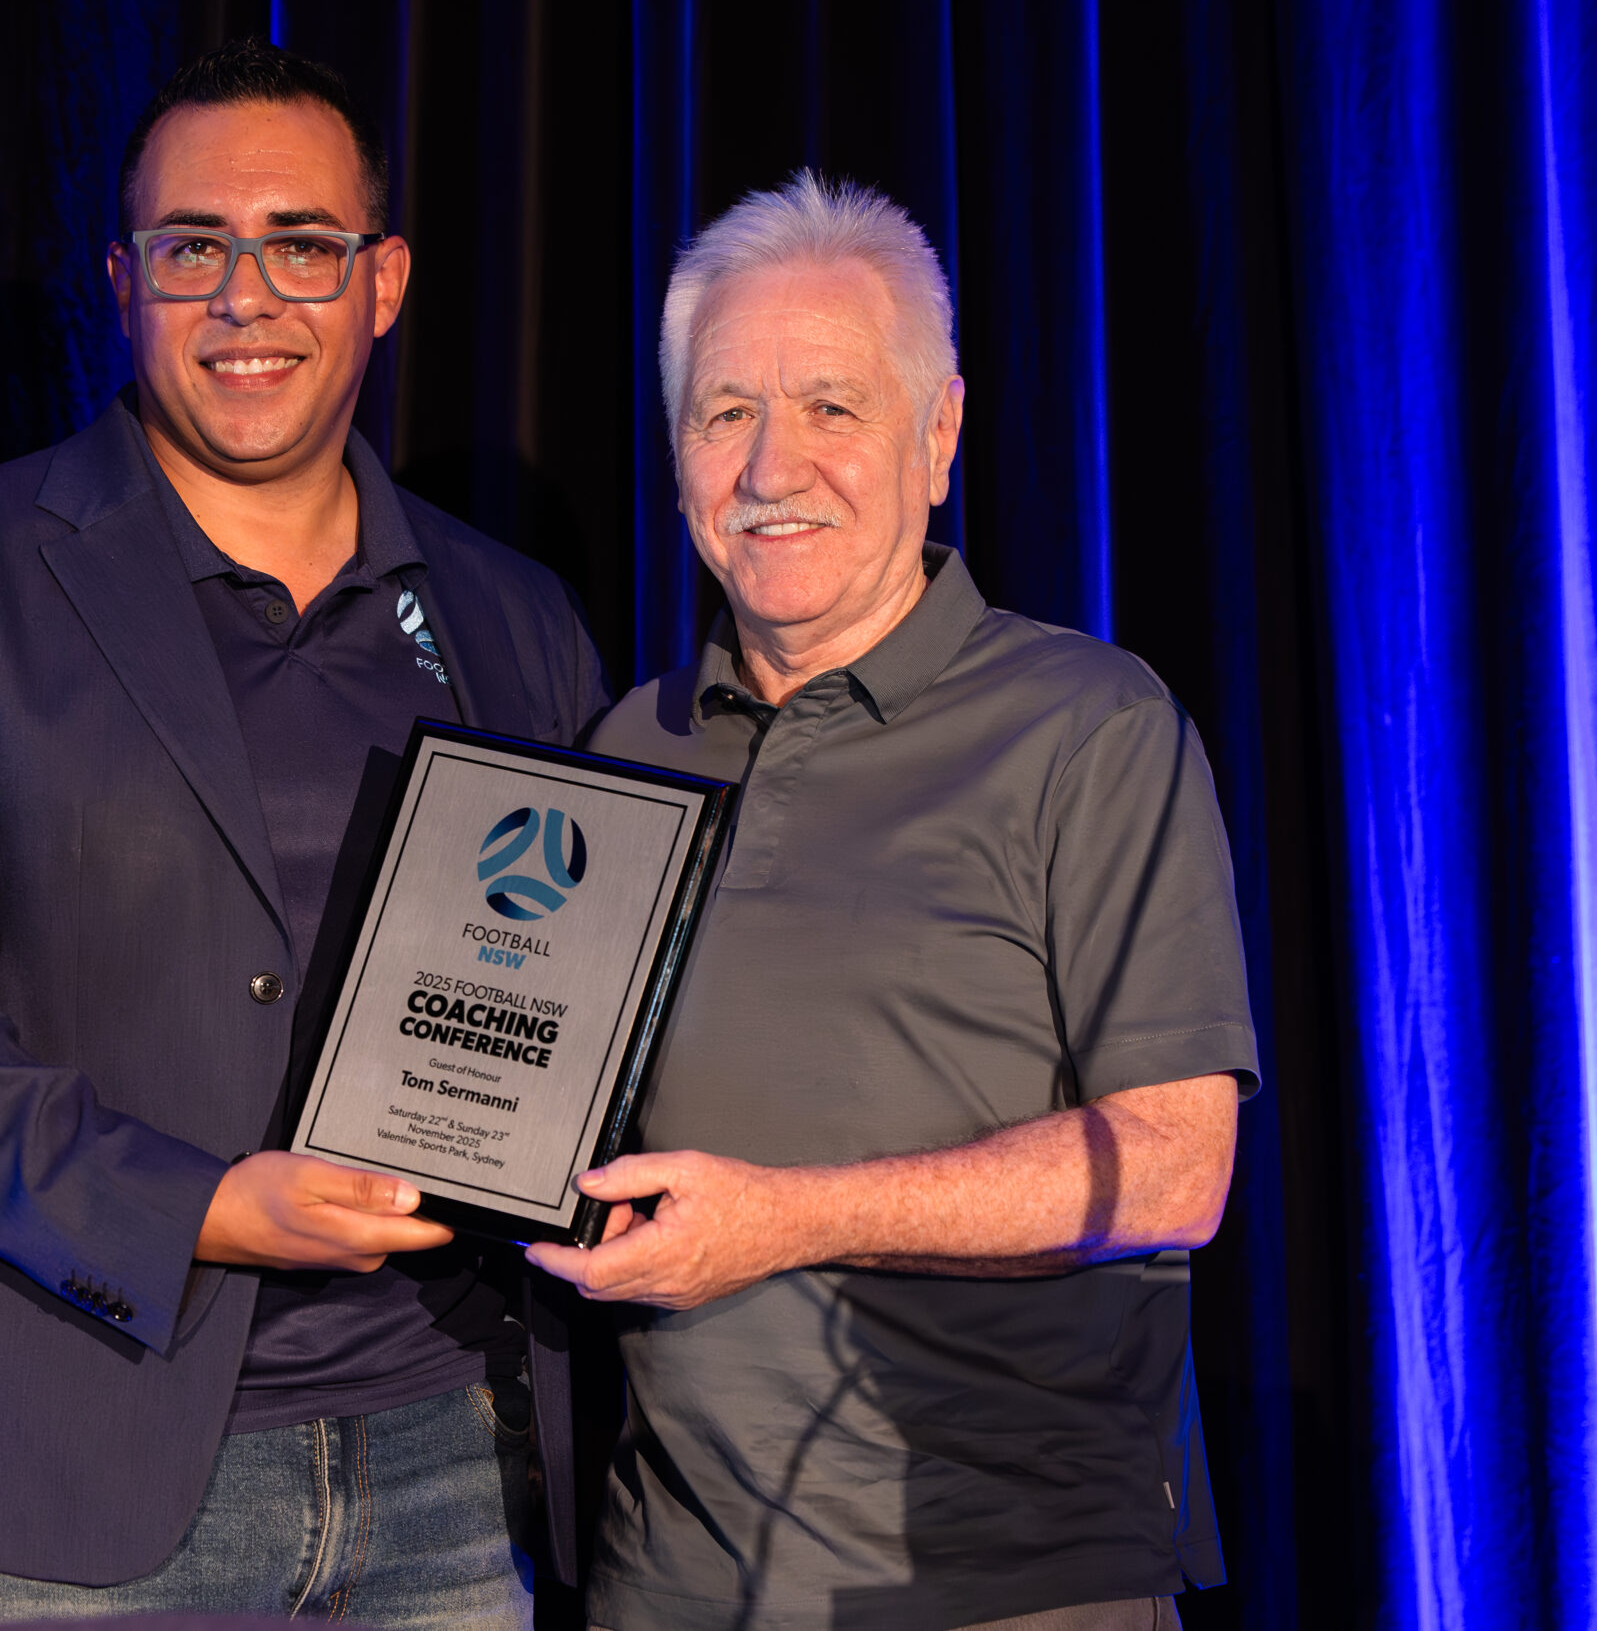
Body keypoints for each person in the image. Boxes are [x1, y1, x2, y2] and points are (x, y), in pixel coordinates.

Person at [0, 41, 605, 1627]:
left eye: (302, 245)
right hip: (57, 1479)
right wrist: (208, 1210)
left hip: (444, 1465)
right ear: (124, 281)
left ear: (382, 282)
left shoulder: (514, 620)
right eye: (192, 248)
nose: (246, 298)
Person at [527, 173, 1258, 1631]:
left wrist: (787, 1219)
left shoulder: (1088, 726)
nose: (771, 466)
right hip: (672, 1588)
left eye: (832, 408)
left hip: (1011, 1588)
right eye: (726, 413)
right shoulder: (625, 751)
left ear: (939, 435)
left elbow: (1175, 1169)